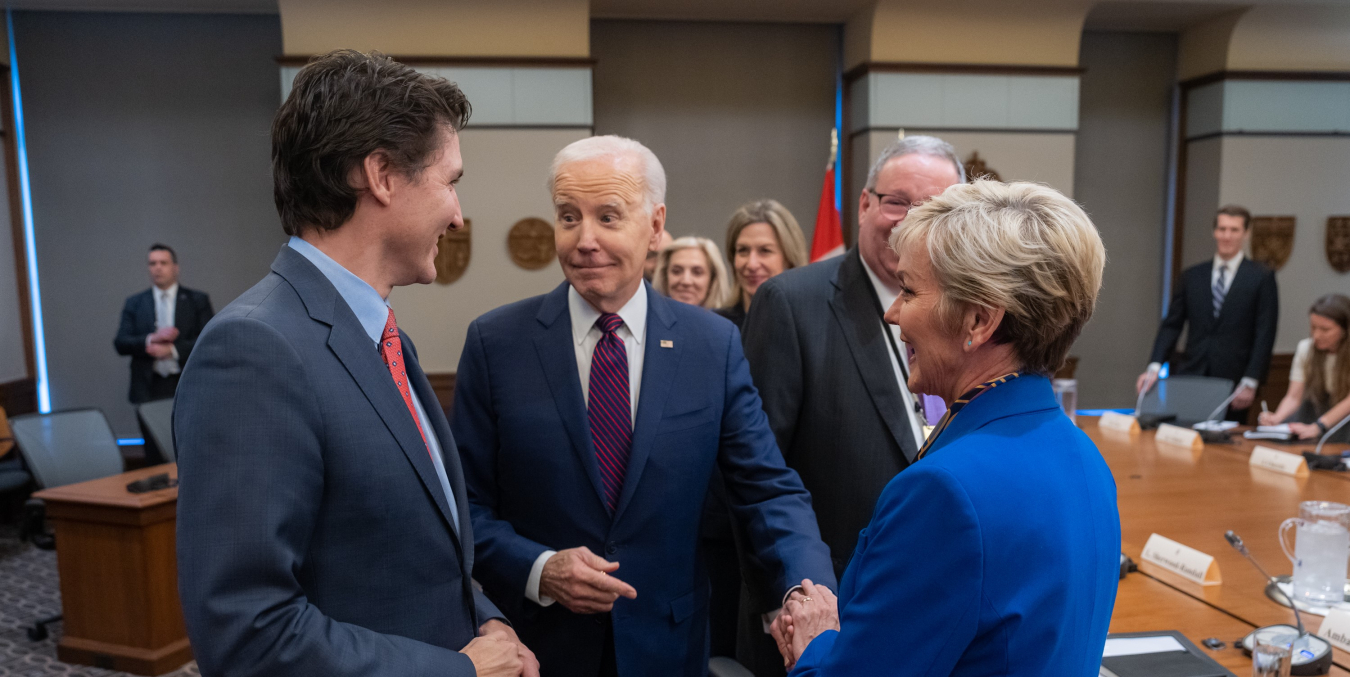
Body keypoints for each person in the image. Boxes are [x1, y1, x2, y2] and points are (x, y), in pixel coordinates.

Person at [174, 50, 536, 677]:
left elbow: (405, 551)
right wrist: (465, 671)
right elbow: (247, 636)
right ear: (382, 175)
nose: (456, 212)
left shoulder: (381, 336)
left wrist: (485, 619)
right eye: (450, 182)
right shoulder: (255, 352)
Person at [452, 135, 835, 677]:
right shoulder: (497, 344)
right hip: (537, 649)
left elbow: (766, 488)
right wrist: (538, 567)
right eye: (568, 217)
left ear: (655, 225)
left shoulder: (712, 345)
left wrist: (805, 588)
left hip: (669, 649)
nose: (585, 240)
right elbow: (464, 510)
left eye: (608, 217)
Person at [770, 180, 1118, 676]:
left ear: (978, 320)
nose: (892, 314)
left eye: (909, 290)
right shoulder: (1086, 458)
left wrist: (817, 640)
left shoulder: (945, 494)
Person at [736, 136, 961, 676]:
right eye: (897, 202)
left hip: (932, 607)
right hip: (825, 610)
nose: (912, 221)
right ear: (864, 205)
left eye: (935, 208)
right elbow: (753, 476)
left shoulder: (966, 312)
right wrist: (787, 601)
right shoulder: (791, 304)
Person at [1138, 205, 1278, 419]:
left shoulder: (1261, 277)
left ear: (1246, 233)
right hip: (1192, 372)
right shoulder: (1192, 276)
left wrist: (1251, 380)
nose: (1227, 236)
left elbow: (1265, 333)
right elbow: (1172, 325)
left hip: (1235, 380)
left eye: (1234, 230)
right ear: (1215, 232)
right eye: (1222, 229)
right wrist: (1154, 366)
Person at [113, 243, 214, 405]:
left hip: (186, 382)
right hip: (147, 385)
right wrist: (151, 338)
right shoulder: (135, 302)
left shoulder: (197, 300)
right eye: (152, 263)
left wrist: (172, 350)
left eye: (163, 263)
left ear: (175, 267)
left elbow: (209, 340)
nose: (157, 268)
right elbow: (120, 343)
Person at [1259, 294, 1350, 442]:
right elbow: (1294, 397)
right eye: (1313, 327)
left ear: (1345, 330)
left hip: (1342, 421)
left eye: (1325, 329)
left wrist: (1319, 426)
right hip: (1314, 413)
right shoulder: (1306, 348)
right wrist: (1277, 418)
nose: (1316, 335)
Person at [716, 199, 808, 330]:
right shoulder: (716, 325)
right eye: (743, 250)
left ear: (789, 258)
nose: (752, 265)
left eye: (765, 250)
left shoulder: (810, 327)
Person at [652, 236, 731, 309]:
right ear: (664, 276)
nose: (686, 281)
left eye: (697, 272)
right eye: (676, 271)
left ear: (712, 280)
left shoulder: (726, 323)